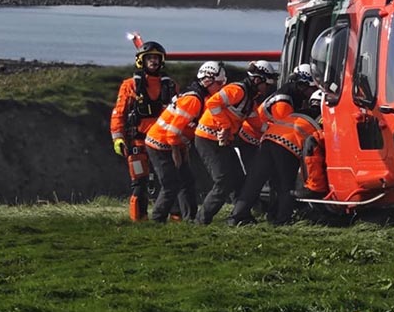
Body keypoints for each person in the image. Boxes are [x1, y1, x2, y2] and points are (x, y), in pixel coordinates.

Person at [192, 60, 276, 225]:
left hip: (222, 141)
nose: (267, 88)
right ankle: (201, 221)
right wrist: (224, 126)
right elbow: (213, 103)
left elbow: (256, 123)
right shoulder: (237, 90)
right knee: (223, 180)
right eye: (266, 83)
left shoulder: (250, 100)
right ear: (257, 80)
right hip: (208, 139)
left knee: (239, 178)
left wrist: (275, 130)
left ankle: (240, 216)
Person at [143, 61, 226, 223]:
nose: (221, 87)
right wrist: (179, 155)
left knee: (186, 181)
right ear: (208, 81)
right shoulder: (193, 100)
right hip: (160, 144)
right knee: (170, 184)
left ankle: (189, 217)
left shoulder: (199, 96)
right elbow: (172, 133)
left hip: (172, 142)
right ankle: (157, 219)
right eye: (219, 83)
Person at [110, 40, 177, 221]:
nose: (154, 62)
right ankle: (139, 219)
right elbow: (119, 113)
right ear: (142, 60)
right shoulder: (129, 86)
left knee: (170, 181)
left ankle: (176, 217)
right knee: (139, 182)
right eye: (150, 58)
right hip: (138, 143)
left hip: (163, 144)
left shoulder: (170, 86)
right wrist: (118, 138)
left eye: (157, 58)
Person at [254, 64, 321, 225]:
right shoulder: (284, 103)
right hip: (267, 141)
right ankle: (282, 218)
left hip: (268, 140)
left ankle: (273, 214)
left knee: (273, 182)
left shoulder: (292, 102)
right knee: (284, 183)